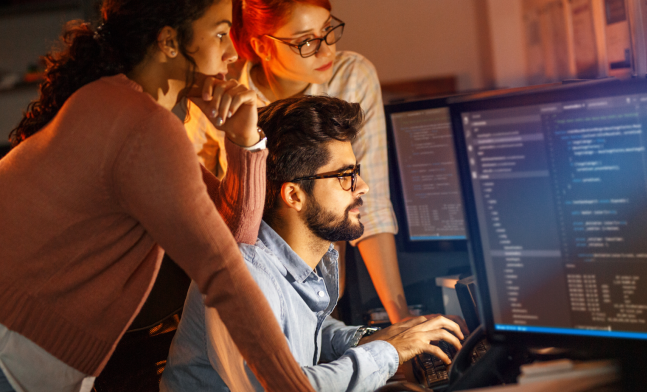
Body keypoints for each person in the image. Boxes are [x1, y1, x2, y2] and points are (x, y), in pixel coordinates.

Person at [0, 0, 315, 391]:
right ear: (169, 42)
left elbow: (234, 236)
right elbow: (227, 274)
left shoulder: (123, 106)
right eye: (220, 34)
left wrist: (244, 140)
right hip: (11, 349)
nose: (233, 53)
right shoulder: (142, 127)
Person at [161, 95, 464, 392]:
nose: (363, 187)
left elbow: (305, 334)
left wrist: (374, 338)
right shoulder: (246, 273)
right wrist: (388, 352)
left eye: (355, 173)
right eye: (345, 176)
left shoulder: (298, 258)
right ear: (294, 195)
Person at [184, 0, 443, 326]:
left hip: (326, 284)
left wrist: (400, 316)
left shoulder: (352, 77)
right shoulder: (225, 95)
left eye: (328, 31)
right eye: (305, 41)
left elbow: (369, 202)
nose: (326, 50)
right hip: (245, 278)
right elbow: (193, 200)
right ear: (261, 45)